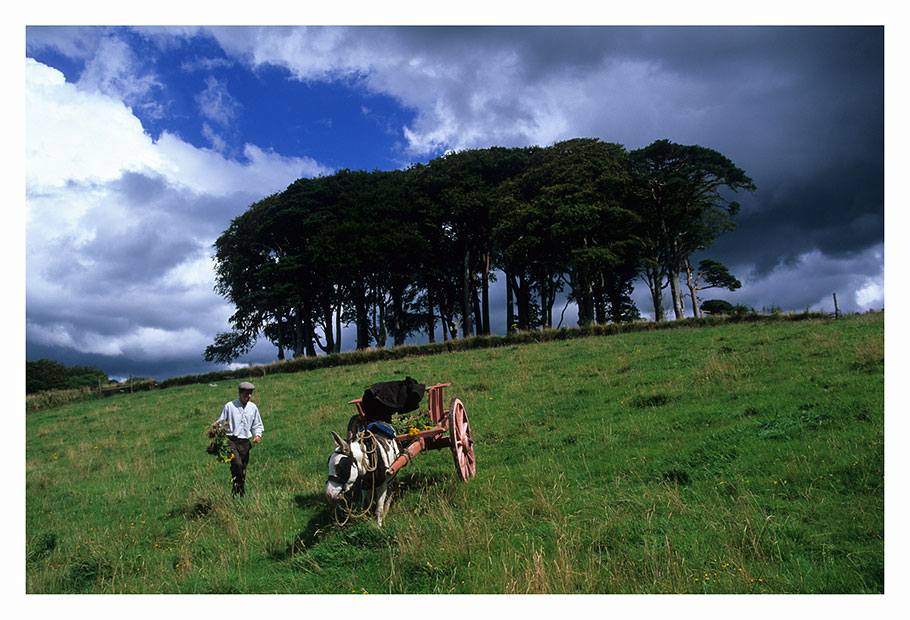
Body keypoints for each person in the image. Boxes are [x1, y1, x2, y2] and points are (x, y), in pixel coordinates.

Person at [212, 381, 263, 497]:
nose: (249, 396)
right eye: (246, 393)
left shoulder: (253, 407)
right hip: (231, 441)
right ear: (240, 393)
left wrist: (257, 435)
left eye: (250, 394)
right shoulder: (229, 406)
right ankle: (241, 491)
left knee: (242, 469)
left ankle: (237, 492)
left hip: (245, 442)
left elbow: (258, 424)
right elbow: (220, 422)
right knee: (237, 464)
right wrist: (214, 431)